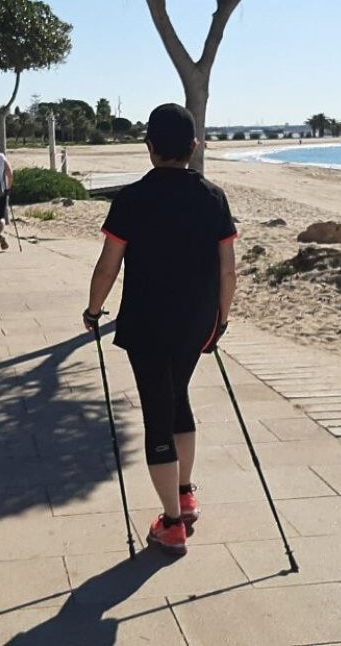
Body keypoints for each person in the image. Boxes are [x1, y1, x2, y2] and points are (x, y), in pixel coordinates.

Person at [82, 103, 237, 556]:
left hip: (147, 322)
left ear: (149, 147)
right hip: (196, 321)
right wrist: (221, 319)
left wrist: (93, 310)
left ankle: (171, 523)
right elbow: (227, 271)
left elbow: (108, 265)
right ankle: (185, 494)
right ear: (193, 147)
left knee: (158, 414)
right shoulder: (213, 197)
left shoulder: (131, 199)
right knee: (179, 397)